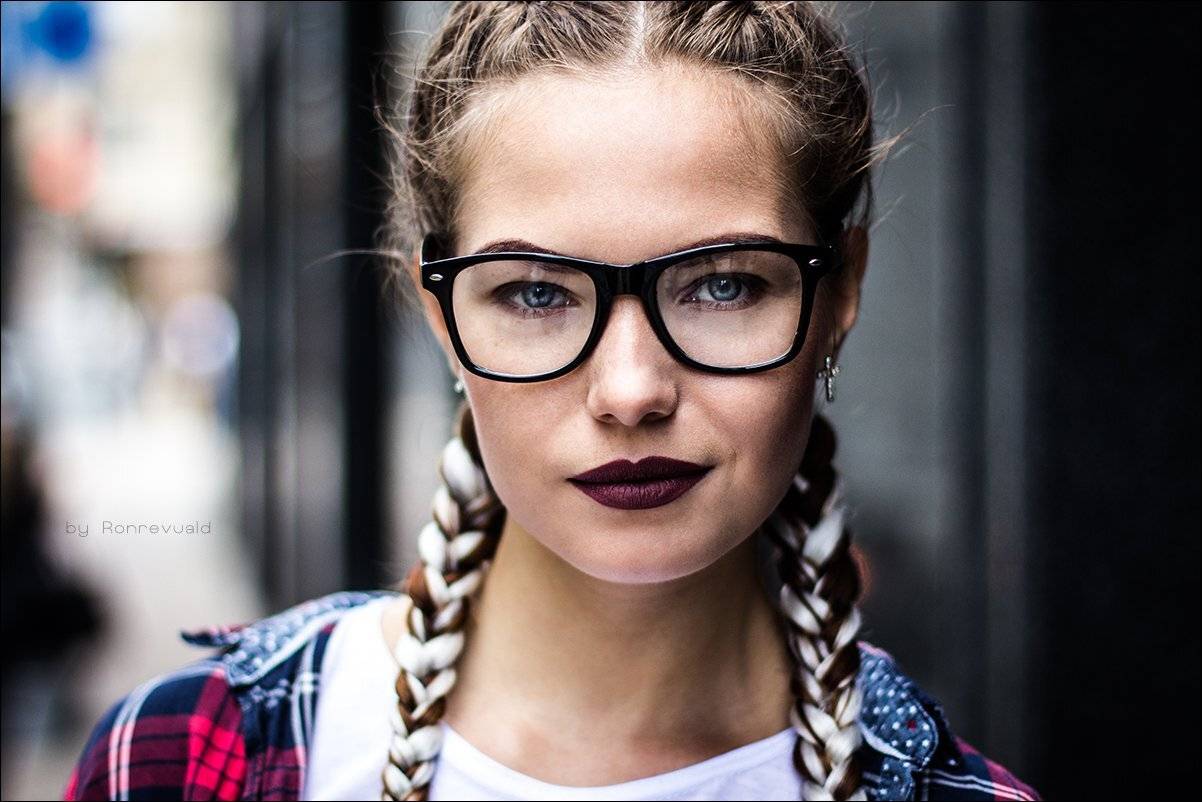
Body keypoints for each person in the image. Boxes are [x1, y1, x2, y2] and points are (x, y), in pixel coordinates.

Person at [64, 2, 1041, 800]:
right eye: (533, 293)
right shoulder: (186, 760)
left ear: (837, 295)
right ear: (439, 315)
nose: (629, 390)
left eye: (723, 284)